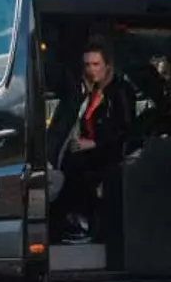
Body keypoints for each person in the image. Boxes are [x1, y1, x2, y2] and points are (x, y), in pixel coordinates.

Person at [46, 38, 137, 244]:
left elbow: (125, 129)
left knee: (76, 171)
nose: (91, 69)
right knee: (67, 165)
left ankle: (83, 225)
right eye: (87, 65)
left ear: (107, 66)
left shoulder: (120, 91)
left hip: (111, 152)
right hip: (90, 150)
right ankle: (69, 222)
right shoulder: (93, 91)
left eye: (96, 64)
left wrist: (94, 143)